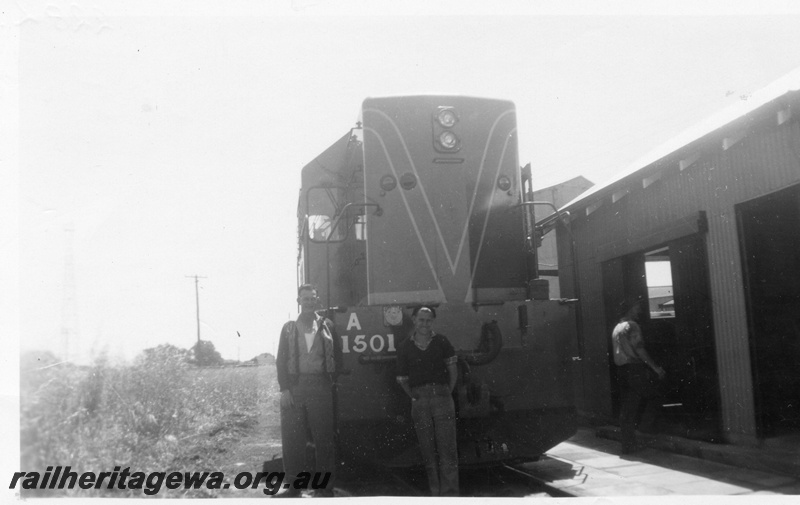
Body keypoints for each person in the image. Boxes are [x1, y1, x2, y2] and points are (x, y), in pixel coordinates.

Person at [275, 284, 341, 497]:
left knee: (324, 439)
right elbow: (280, 360)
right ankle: (294, 488)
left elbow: (339, 356)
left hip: (321, 386)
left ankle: (325, 488)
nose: (309, 301)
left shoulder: (328, 325)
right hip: (295, 388)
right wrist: (285, 389)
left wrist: (330, 381)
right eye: (305, 298)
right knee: (293, 439)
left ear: (317, 300)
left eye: (312, 298)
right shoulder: (288, 328)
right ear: (298, 301)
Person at [395, 306, 459, 496]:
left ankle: (450, 495)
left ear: (433, 322)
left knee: (448, 450)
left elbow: (453, 371)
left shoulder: (442, 341)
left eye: (428, 320)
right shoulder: (405, 346)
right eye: (421, 320)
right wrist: (414, 396)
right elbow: (402, 379)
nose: (425, 324)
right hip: (420, 400)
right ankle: (435, 494)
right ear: (414, 320)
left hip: (442, 398)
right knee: (428, 451)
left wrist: (447, 392)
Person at [612, 297, 666, 454]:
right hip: (634, 369)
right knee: (654, 396)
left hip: (621, 370)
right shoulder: (632, 326)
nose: (639, 310)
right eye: (636, 307)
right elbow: (640, 349)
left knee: (627, 409)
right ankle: (645, 429)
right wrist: (656, 368)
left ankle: (628, 445)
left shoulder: (617, 327)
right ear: (630, 309)